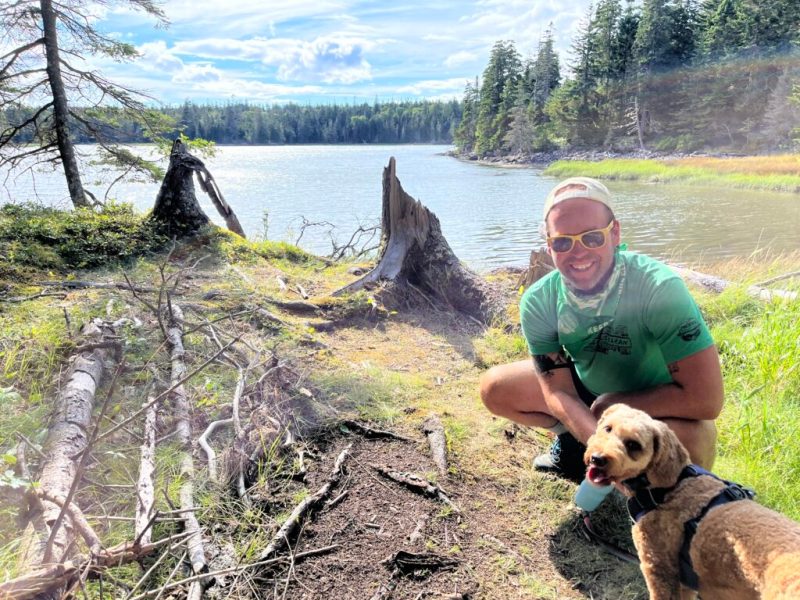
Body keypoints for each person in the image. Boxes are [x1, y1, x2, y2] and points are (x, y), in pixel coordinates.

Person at [479, 177, 723, 482]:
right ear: (549, 246)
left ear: (615, 233)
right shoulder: (540, 300)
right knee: (495, 388)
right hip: (588, 390)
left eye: (592, 237)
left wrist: (616, 406)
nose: (578, 252)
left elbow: (707, 399)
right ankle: (574, 445)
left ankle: (650, 483)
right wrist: (597, 438)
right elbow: (556, 388)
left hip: (654, 402)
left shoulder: (659, 289)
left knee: (693, 444)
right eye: (563, 242)